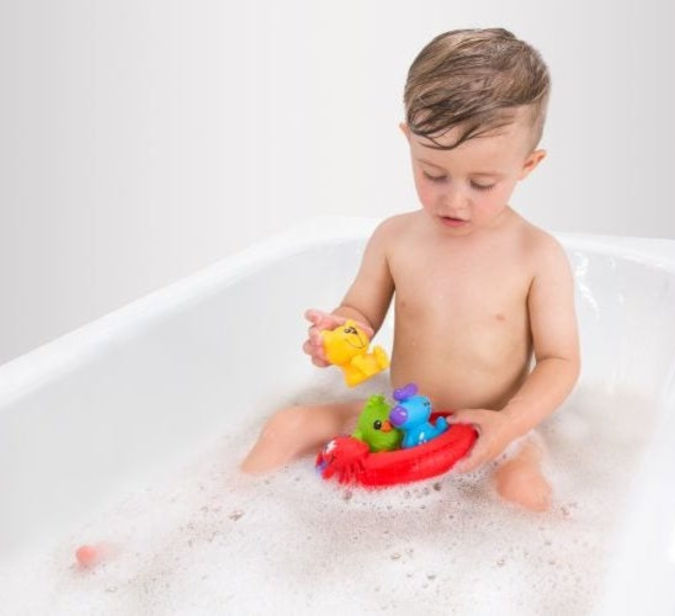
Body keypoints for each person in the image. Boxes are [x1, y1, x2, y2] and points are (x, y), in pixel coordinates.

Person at [241, 27, 580, 512]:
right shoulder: (395, 238)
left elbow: (560, 361)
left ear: (528, 165)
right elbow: (360, 312)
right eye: (433, 173)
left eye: (482, 183)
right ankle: (220, 519)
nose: (454, 200)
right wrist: (338, 334)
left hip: (490, 430)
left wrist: (511, 423)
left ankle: (556, 551)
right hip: (398, 417)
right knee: (286, 425)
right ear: (408, 142)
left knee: (523, 492)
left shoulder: (536, 255)